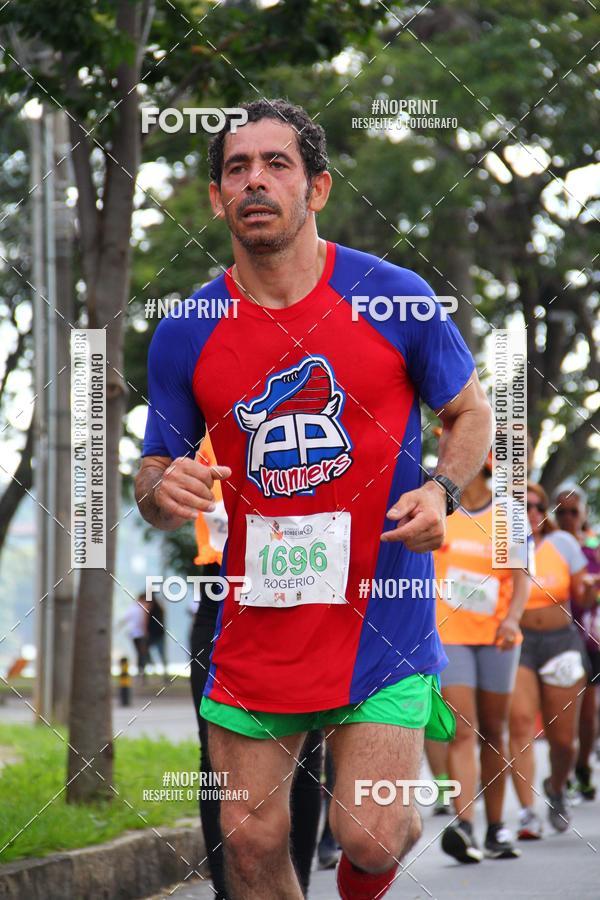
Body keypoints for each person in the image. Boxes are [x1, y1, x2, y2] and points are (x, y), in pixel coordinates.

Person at [135, 98, 492, 900]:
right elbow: (153, 475)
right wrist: (166, 487)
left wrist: (439, 489)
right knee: (251, 842)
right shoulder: (187, 330)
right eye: (236, 168)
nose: (254, 180)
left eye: (277, 164)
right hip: (260, 616)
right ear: (217, 198)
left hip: (383, 611)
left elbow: (471, 416)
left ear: (318, 189)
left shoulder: (394, 298)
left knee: (371, 835)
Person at [189, 435, 323, 898]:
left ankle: (293, 886)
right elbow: (154, 493)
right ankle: (230, 890)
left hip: (301, 590)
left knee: (303, 751)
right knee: (216, 757)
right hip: (221, 591)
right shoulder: (201, 409)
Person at [433, 454, 531, 863]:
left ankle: (496, 828)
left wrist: (511, 620)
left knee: (495, 730)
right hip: (450, 633)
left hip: (498, 637)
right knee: (462, 730)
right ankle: (465, 825)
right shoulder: (438, 508)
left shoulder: (507, 514)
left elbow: (522, 577)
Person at [509, 482, 593, 837]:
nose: (530, 514)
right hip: (522, 644)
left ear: (545, 513)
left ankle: (557, 786)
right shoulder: (508, 546)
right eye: (522, 507)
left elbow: (583, 601)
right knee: (521, 723)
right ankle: (527, 813)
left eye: (537, 507)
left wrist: (589, 590)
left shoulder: (564, 544)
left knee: (563, 742)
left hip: (562, 644)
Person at [553, 485, 600, 801]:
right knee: (568, 708)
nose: (568, 517)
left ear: (583, 513)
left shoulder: (594, 544)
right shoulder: (548, 544)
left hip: (592, 637)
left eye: (573, 511)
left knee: (589, 710)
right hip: (559, 636)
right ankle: (566, 771)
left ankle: (582, 765)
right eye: (561, 511)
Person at [118, 594, 151, 680]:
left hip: (134, 634)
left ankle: (141, 672)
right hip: (140, 634)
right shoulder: (141, 608)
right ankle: (142, 673)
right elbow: (144, 621)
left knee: (140, 653)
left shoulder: (132, 608)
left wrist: (118, 627)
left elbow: (125, 619)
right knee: (141, 653)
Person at [147, 592, 168, 682]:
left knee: (145, 653)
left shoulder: (150, 608)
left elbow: (146, 621)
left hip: (154, 635)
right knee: (162, 656)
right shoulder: (160, 608)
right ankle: (164, 675)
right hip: (159, 634)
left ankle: (153, 669)